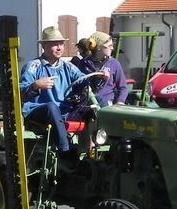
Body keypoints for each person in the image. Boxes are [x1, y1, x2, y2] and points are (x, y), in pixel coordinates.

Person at [20, 26, 102, 161]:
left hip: (64, 110)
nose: (59, 48)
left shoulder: (68, 66)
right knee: (51, 106)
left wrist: (98, 77)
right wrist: (36, 85)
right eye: (54, 44)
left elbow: (83, 80)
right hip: (38, 112)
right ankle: (66, 152)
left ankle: (98, 146)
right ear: (44, 46)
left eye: (61, 44)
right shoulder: (33, 67)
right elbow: (21, 93)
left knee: (97, 101)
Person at [84, 31, 129, 106]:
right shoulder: (84, 63)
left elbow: (123, 87)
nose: (112, 48)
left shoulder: (114, 63)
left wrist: (120, 102)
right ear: (98, 47)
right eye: (109, 46)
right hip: (87, 102)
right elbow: (78, 84)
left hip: (106, 103)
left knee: (101, 102)